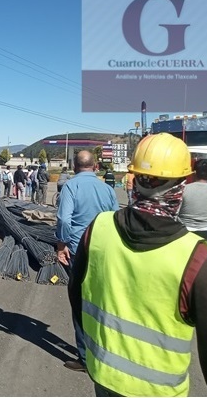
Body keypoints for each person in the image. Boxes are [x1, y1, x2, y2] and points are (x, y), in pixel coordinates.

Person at [68, 133, 207, 397]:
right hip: (159, 391)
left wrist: (92, 350)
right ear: (181, 186)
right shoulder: (193, 257)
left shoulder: (98, 229)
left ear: (134, 181)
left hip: (103, 375)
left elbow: (75, 293)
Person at [56, 150, 119, 373]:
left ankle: (85, 358)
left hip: (79, 251)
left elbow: (64, 218)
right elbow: (116, 218)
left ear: (74, 166)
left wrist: (62, 243)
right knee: (102, 301)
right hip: (104, 251)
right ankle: (106, 350)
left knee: (79, 303)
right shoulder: (107, 189)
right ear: (95, 166)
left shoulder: (71, 187)